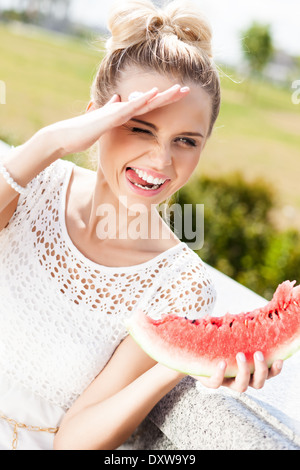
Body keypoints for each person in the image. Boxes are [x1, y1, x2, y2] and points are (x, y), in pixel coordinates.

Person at [0, 0, 283, 451]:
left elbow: (73, 442)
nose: (161, 161)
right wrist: (51, 141)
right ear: (96, 115)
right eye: (140, 127)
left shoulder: (179, 286)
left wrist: (187, 361)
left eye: (186, 141)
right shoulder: (26, 181)